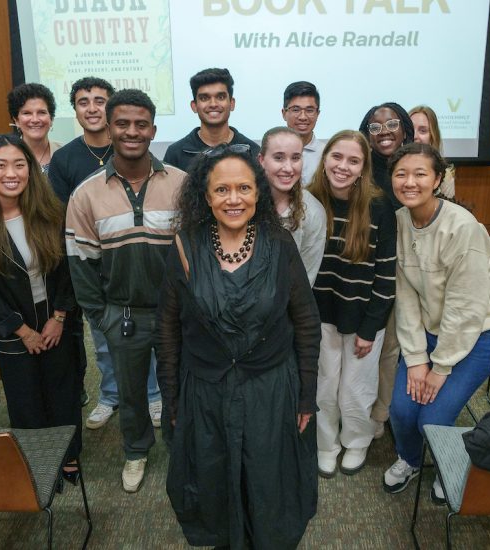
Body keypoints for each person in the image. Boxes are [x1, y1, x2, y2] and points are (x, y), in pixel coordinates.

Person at [156, 145, 320, 549]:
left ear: (259, 192)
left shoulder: (280, 245)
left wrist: (306, 397)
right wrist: (173, 402)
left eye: (244, 188)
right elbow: (166, 331)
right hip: (206, 392)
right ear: (205, 196)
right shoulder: (184, 246)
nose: (234, 199)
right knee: (213, 478)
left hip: (270, 391)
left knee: (267, 482)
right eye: (222, 190)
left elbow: (306, 323)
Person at [66, 89, 185, 493]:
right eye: (123, 124)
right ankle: (135, 451)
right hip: (123, 316)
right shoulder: (85, 194)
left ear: (153, 129)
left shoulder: (183, 185)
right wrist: (102, 317)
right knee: (132, 395)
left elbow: (197, 256)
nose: (132, 132)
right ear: (110, 127)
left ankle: (183, 450)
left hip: (176, 316)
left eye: (141, 124)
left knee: (180, 388)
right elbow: (81, 263)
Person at [382, 142, 490, 504]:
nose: (410, 182)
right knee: (402, 411)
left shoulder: (462, 227)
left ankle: (450, 465)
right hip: (430, 332)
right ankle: (409, 459)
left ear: (438, 179)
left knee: (432, 420)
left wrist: (439, 367)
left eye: (420, 174)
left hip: (479, 334)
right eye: (401, 174)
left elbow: (466, 308)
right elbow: (405, 298)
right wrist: (417, 359)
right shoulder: (399, 222)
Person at [0, 133, 82, 486]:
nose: (12, 173)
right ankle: (38, 465)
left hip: (57, 318)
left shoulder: (50, 212)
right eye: (1, 165)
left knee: (63, 392)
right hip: (11, 328)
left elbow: (68, 270)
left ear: (30, 170)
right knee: (26, 401)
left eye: (20, 164)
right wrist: (22, 330)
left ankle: (69, 457)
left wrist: (59, 317)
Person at [49, 76, 163, 431]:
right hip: (103, 274)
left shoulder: (169, 177)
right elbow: (68, 231)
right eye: (84, 101)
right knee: (106, 345)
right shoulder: (67, 161)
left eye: (100, 100)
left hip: (154, 284)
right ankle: (111, 395)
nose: (92, 107)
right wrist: (97, 311)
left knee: (157, 351)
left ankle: (154, 396)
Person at [308, 130, 396, 477]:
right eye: (337, 157)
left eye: (353, 161)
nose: (343, 166)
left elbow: (387, 275)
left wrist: (371, 326)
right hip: (319, 315)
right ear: (325, 158)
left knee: (356, 390)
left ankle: (356, 442)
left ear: (363, 168)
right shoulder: (309, 200)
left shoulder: (378, 205)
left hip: (363, 317)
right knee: (324, 386)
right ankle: (325, 444)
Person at [358, 102, 414, 439]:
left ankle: (390, 408)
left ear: (404, 129)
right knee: (383, 344)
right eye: (375, 127)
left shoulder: (414, 167)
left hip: (413, 268)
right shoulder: (362, 170)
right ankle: (376, 412)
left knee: (402, 343)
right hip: (375, 270)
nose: (384, 132)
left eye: (391, 124)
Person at [258, 126, 326, 284]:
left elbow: (304, 281)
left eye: (295, 158)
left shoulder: (313, 212)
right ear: (261, 160)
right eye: (279, 158)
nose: (288, 168)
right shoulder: (244, 201)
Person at [163, 68, 259, 171]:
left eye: (220, 97)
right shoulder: (175, 154)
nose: (213, 104)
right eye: (204, 98)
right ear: (194, 106)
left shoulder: (253, 151)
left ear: (232, 103)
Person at [7, 83, 61, 174]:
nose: (35, 120)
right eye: (27, 113)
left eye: (41, 112)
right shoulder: (5, 155)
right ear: (16, 120)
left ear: (51, 119)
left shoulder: (67, 153)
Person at [281, 81, 324, 185]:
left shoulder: (327, 154)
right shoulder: (271, 153)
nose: (303, 117)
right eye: (296, 110)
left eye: (309, 110)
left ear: (317, 114)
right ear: (284, 113)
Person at [409, 105, 456, 199]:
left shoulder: (445, 175)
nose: (415, 136)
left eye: (423, 131)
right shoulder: (393, 168)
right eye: (410, 129)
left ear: (433, 136)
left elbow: (447, 210)